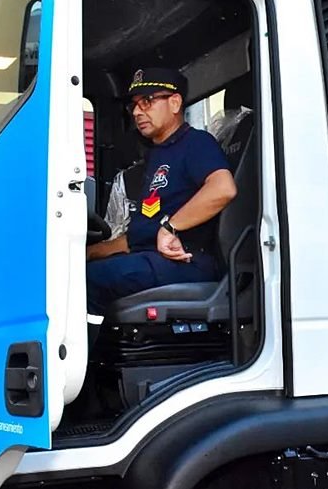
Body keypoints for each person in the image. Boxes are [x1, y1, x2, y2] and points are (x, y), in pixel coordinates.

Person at [85, 67, 238, 319]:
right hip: (151, 257)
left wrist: (170, 228)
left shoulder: (196, 143)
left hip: (188, 261)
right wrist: (89, 252)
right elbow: (138, 237)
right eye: (134, 105)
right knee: (77, 270)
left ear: (175, 102)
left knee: (85, 282)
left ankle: (83, 357)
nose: (136, 111)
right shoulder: (157, 156)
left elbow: (223, 188)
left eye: (147, 101)